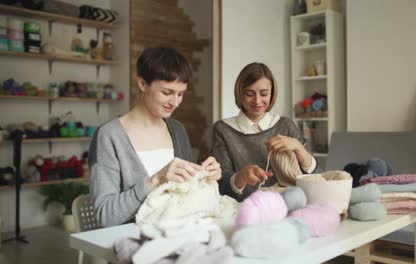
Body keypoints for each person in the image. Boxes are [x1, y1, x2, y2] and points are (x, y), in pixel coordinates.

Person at [89, 47, 222, 227]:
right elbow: (105, 217)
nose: (174, 102)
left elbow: (184, 197)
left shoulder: (178, 130)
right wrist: (156, 180)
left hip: (178, 235)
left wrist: (204, 176)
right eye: (167, 93)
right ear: (143, 84)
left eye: (180, 94)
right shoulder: (109, 136)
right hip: (132, 242)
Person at [211, 62, 317, 201]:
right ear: (240, 93)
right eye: (250, 94)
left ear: (272, 93)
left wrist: (298, 147)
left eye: (264, 93)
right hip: (243, 210)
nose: (257, 100)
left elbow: (315, 176)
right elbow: (219, 186)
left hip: (286, 206)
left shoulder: (285, 125)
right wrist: (241, 177)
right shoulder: (223, 129)